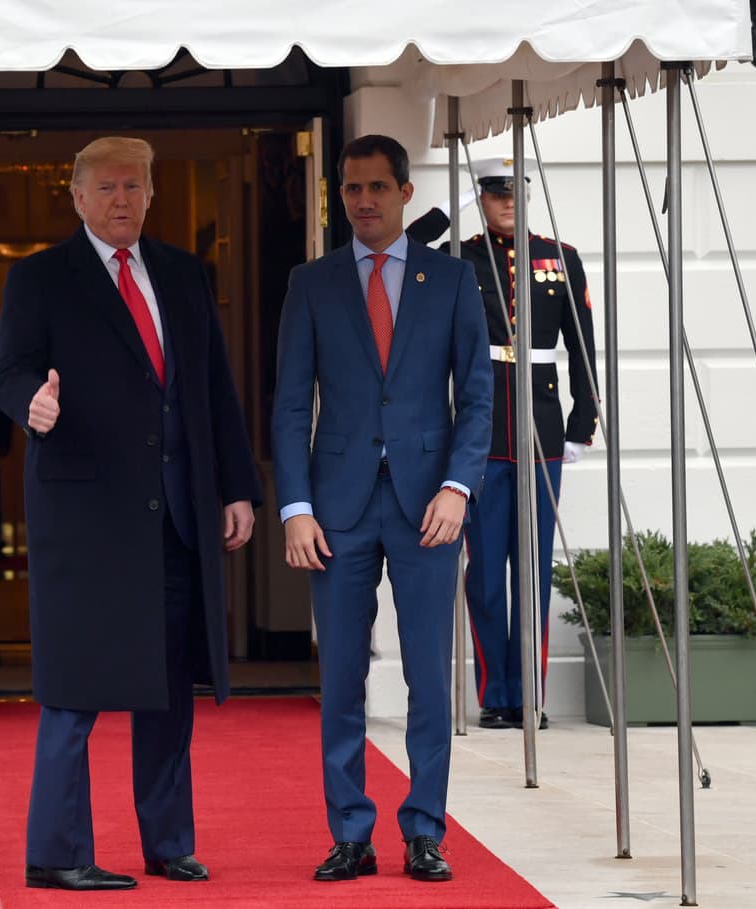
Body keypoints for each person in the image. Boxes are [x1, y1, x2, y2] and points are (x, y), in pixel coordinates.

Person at [0, 136, 261, 893]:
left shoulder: (181, 274)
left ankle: (169, 841)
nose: (121, 199)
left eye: (134, 187)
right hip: (84, 521)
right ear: (75, 197)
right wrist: (30, 405)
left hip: (174, 514)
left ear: (151, 194)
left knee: (171, 688)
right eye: (106, 187)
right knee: (74, 690)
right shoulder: (41, 277)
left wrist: (235, 487)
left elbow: (213, 388)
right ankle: (56, 851)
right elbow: (8, 370)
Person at [272, 134, 492, 884]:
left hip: (428, 507)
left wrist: (459, 489)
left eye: (375, 187)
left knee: (429, 676)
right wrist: (295, 506)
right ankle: (350, 833)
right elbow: (291, 403)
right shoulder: (312, 282)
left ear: (403, 192)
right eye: (351, 188)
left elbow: (479, 400)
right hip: (336, 511)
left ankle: (425, 830)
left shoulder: (454, 279)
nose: (362, 200)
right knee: (340, 679)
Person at [407, 156, 599, 730]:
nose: (507, 202)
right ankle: (497, 694)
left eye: (516, 192)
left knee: (534, 569)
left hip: (539, 428)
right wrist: (451, 208)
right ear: (482, 198)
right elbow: (408, 250)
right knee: (487, 570)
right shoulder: (459, 258)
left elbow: (583, 345)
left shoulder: (560, 258)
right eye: (494, 194)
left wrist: (581, 422)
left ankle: (531, 696)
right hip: (481, 429)